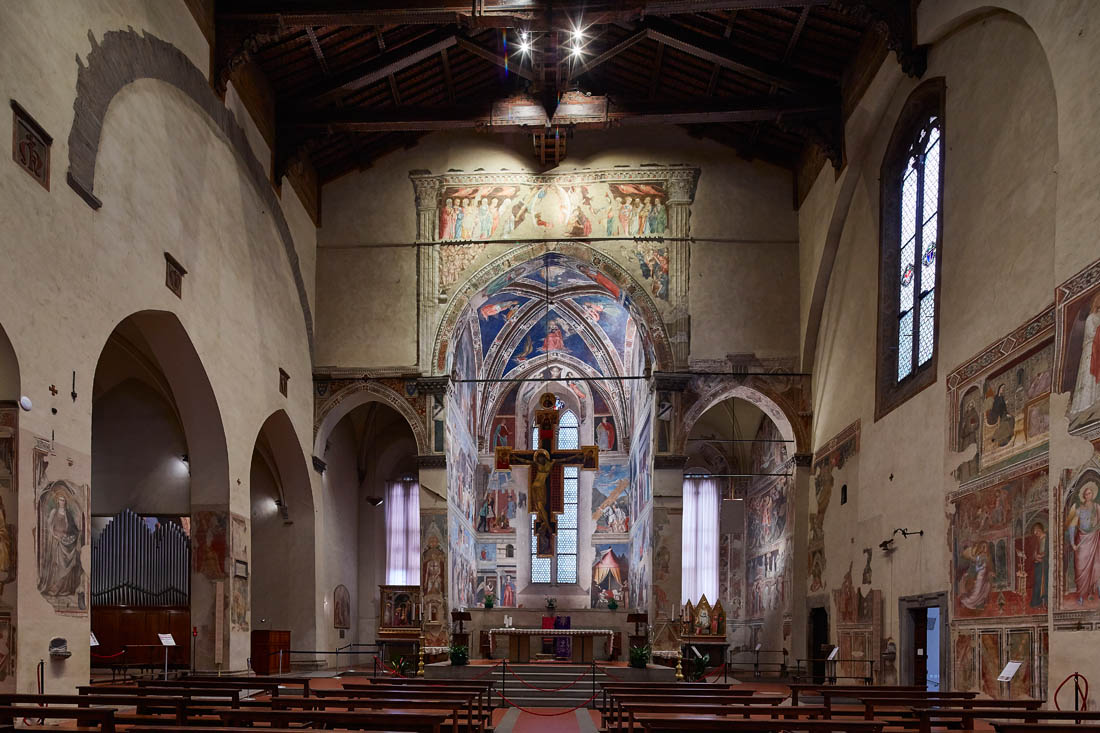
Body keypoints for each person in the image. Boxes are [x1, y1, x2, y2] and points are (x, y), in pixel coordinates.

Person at [1066, 481, 1100, 604]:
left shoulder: (1097, 507)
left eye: (1089, 493)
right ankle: (1081, 593)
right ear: (1083, 496)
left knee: (1096, 565)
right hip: (1081, 540)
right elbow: (1071, 526)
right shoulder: (1079, 509)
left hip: (1094, 539)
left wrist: (1095, 529)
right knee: (1080, 567)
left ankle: (1097, 589)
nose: (1088, 495)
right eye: (1085, 494)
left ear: (1093, 494)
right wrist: (1072, 543)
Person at [1070, 292, 1100, 421]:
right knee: (1088, 376)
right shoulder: (1091, 318)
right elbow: (1091, 334)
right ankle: (1085, 404)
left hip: (1098, 347)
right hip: (1091, 349)